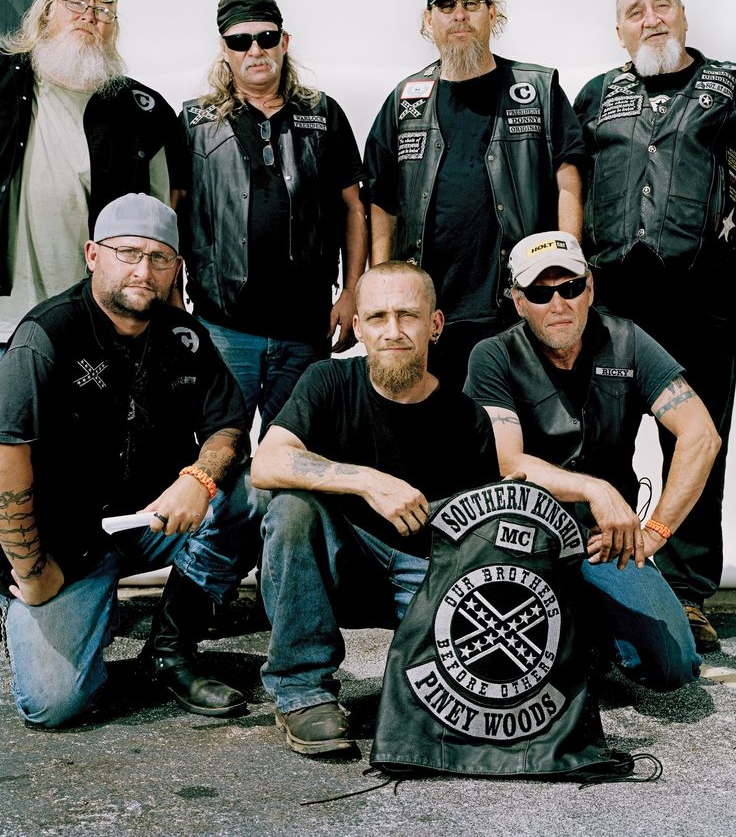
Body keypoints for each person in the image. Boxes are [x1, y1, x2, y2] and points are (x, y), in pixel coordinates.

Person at [0, 193, 265, 728]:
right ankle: (42, 613)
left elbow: (228, 426)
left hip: (151, 519)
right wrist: (32, 571)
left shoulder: (185, 338)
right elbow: (7, 457)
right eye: (127, 253)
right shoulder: (45, 336)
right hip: (65, 541)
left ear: (175, 268)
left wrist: (198, 478)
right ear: (93, 255)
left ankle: (170, 649)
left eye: (159, 257)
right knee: (53, 705)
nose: (144, 270)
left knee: (256, 493)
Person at [250, 261, 500, 755]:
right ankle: (302, 692)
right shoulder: (326, 381)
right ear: (358, 325)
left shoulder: (465, 417)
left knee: (460, 712)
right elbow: (267, 462)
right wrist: (367, 481)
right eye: (378, 317)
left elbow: (479, 539)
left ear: (435, 324)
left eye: (407, 316)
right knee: (291, 510)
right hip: (339, 571)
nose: (392, 331)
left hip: (424, 576)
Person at [465, 231, 718, 685]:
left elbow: (701, 436)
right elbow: (506, 460)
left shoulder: (628, 340)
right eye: (541, 293)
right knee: (506, 672)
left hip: (603, 543)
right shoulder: (493, 355)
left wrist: (655, 532)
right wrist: (594, 487)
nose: (558, 304)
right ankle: (576, 627)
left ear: (591, 288)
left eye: (571, 287)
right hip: (519, 539)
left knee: (673, 665)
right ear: (519, 302)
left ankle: (592, 624)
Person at [573, 0, 736, 651]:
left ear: (685, 17)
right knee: (598, 442)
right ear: (620, 31)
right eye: (635, 11)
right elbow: (569, 185)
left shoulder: (729, 85)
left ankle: (688, 590)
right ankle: (598, 575)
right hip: (614, 303)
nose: (651, 18)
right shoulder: (595, 96)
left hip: (704, 299)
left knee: (693, 443)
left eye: (661, 5)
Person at [364, 0, 587, 391]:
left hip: (519, 302)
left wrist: (569, 267)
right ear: (429, 20)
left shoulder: (535, 90)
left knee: (517, 439)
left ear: (493, 14)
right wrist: (382, 289)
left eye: (471, 3)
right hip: (429, 315)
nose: (460, 15)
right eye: (446, 7)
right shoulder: (405, 99)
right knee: (435, 441)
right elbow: (381, 200)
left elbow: (569, 176)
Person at [178, 0, 367, 440]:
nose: (255, 50)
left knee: (298, 452)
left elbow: (354, 208)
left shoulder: (323, 115)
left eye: (266, 37)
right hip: (222, 325)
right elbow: (173, 212)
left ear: (285, 41)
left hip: (306, 327)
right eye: (240, 41)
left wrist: (353, 293)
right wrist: (170, 300)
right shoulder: (195, 122)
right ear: (224, 49)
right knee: (218, 453)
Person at [0, 0, 185, 350]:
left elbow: (161, 221)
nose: (89, 14)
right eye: (76, 1)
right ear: (48, 11)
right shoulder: (2, 82)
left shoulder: (143, 112)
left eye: (104, 9)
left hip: (94, 325)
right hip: (2, 319)